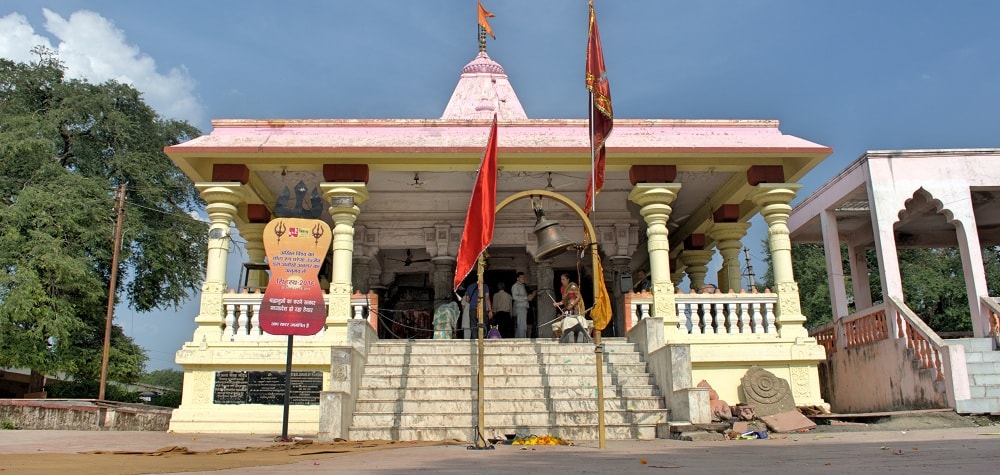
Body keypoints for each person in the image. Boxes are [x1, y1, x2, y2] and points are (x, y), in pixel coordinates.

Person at [511, 272, 536, 338]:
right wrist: (526, 297)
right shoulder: (515, 286)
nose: (523, 278)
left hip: (524, 307)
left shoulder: (523, 286)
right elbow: (514, 297)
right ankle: (522, 340)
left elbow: (528, 298)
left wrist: (532, 295)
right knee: (522, 326)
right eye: (521, 277)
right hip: (520, 307)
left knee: (520, 325)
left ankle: (518, 340)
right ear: (517, 278)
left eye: (523, 277)